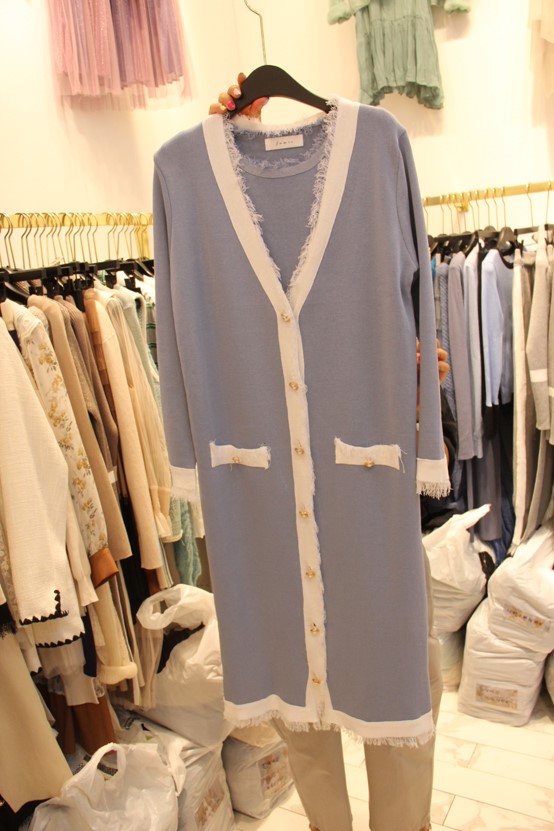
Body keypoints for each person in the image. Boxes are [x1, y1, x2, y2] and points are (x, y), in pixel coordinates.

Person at [205, 76, 456, 831]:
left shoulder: (379, 148)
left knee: (396, 679)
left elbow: (420, 306)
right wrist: (234, 146)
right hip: (266, 502)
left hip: (369, 497)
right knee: (296, 686)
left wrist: (420, 412)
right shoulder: (194, 177)